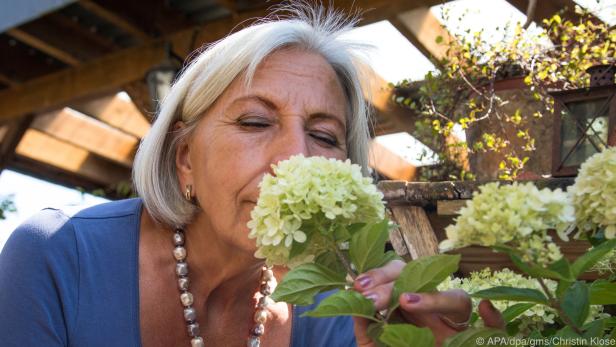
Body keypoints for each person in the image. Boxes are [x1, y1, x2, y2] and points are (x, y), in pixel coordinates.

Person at [0, 4, 504, 347]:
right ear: (184, 158)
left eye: (325, 136)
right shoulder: (56, 255)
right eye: (255, 122)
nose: (295, 158)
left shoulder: (334, 308)